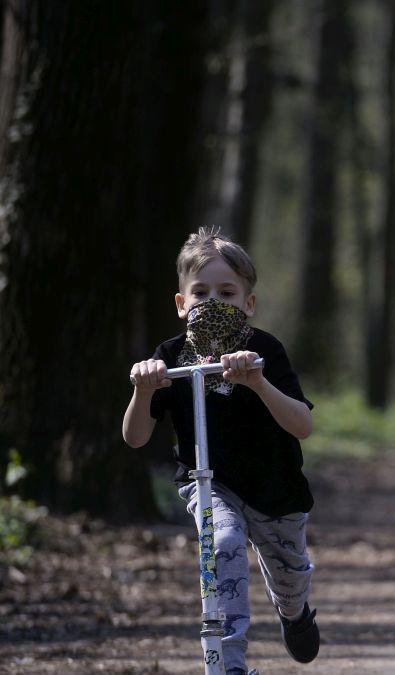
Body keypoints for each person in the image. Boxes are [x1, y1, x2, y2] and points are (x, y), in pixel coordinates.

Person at [122, 227, 320, 675]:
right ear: (181, 304)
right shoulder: (170, 357)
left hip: (275, 488)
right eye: (201, 292)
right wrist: (142, 389)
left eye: (227, 292)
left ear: (248, 303)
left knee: (291, 582)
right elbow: (134, 438)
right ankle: (227, 665)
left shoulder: (264, 349)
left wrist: (257, 381)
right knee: (223, 541)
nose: (213, 302)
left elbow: (303, 425)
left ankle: (295, 612)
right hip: (208, 481)